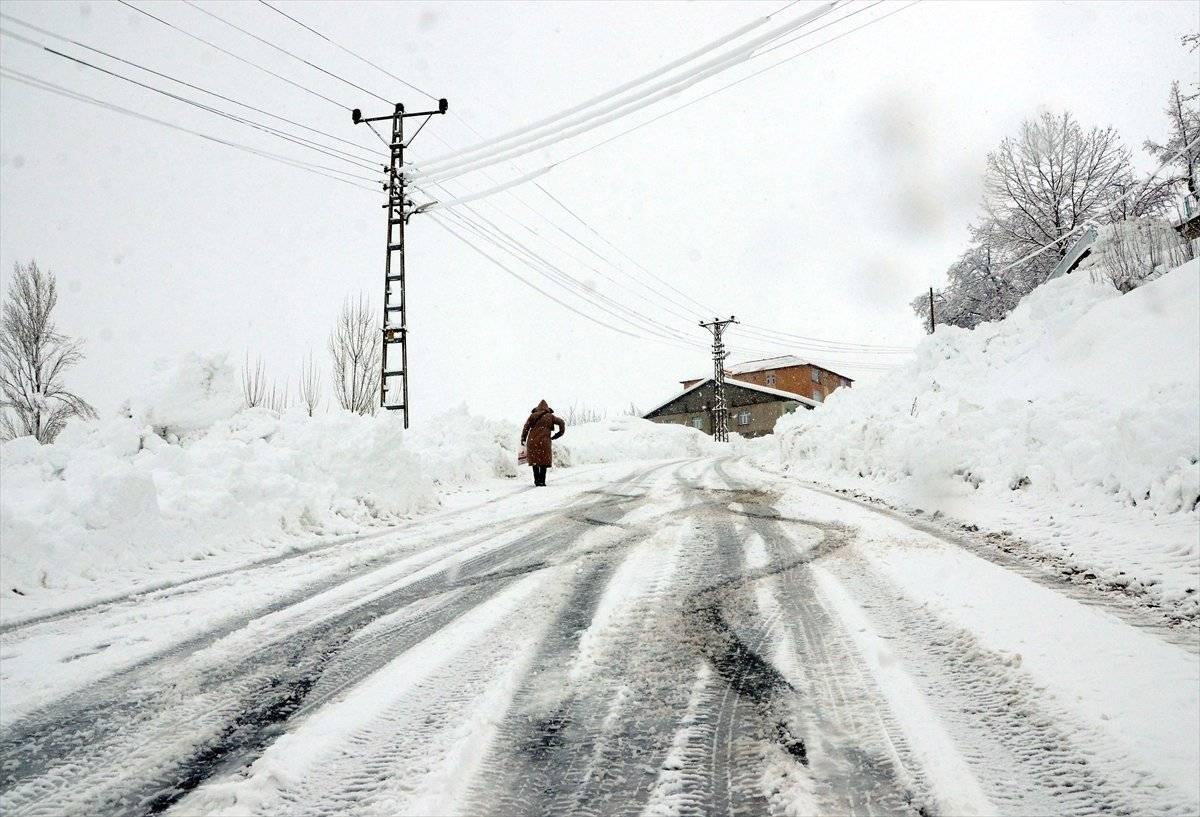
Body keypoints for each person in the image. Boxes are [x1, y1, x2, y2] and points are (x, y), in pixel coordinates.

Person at [521, 399, 565, 487]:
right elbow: (562, 422)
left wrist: (523, 438)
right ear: (547, 408)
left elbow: (526, 427)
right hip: (544, 442)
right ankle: (542, 481)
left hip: (532, 442)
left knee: (535, 461)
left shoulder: (532, 416)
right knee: (543, 461)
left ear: (537, 408)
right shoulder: (550, 416)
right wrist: (558, 434)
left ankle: (536, 481)